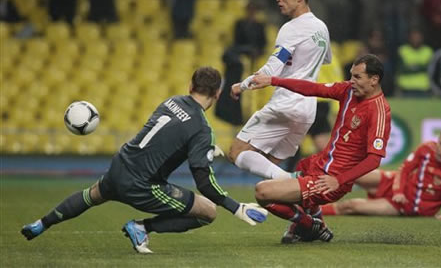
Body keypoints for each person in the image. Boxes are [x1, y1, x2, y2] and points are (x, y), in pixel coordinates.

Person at [21, 67, 267, 253]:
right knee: (208, 212)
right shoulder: (201, 129)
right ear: (218, 93)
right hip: (142, 184)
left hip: (120, 165)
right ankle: (142, 228)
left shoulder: (171, 102)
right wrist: (237, 207)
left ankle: (41, 223)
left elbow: (169, 135)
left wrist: (206, 149)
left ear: (190, 84)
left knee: (91, 196)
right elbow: (203, 181)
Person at [251, 54, 391, 243]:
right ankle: (316, 225)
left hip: (329, 180)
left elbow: (374, 160)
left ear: (374, 80)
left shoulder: (379, 111)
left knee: (263, 193)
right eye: (351, 75)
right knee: (281, 184)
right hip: (318, 164)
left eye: (357, 77)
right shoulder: (348, 91)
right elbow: (312, 88)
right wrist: (273, 80)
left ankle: (307, 224)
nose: (351, 81)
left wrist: (338, 180)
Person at [228, 0, 332, 180]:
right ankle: (302, 206)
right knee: (268, 165)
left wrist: (242, 85)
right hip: (307, 109)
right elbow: (326, 58)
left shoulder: (291, 27)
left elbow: (271, 69)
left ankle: (297, 181)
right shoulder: (321, 27)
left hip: (286, 103)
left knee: (236, 152)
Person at [321, 129, 441, 220]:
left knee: (350, 205)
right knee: (351, 173)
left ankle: (313, 211)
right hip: (396, 186)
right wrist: (398, 190)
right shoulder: (426, 149)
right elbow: (404, 169)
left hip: (403, 205)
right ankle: (309, 190)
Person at [215, 1, 266, 126]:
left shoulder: (260, 26)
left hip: (253, 58)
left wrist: (255, 52)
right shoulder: (240, 24)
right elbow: (236, 41)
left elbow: (262, 44)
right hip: (242, 55)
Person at [396, 28, 433, 97]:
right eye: (413, 37)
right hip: (406, 88)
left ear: (422, 38)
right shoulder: (402, 50)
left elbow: (428, 68)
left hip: (423, 88)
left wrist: (411, 67)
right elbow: (402, 69)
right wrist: (420, 66)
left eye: (418, 37)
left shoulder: (428, 51)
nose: (415, 39)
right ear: (409, 38)